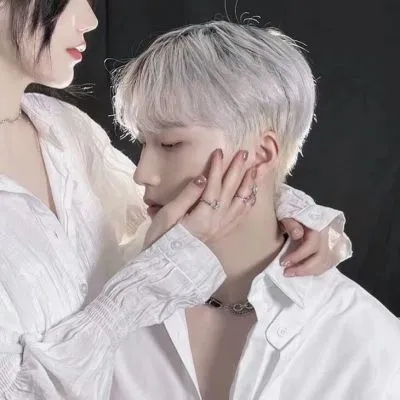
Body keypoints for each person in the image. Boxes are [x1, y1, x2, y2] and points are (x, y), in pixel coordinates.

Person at [0, 0, 351, 399]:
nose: (91, 20)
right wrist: (143, 289)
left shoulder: (64, 130)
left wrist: (289, 217)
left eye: (167, 144)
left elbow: (162, 206)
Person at [110, 20, 400, 400]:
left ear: (261, 154)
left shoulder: (371, 347)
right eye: (140, 143)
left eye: (170, 144)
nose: (141, 173)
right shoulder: (107, 289)